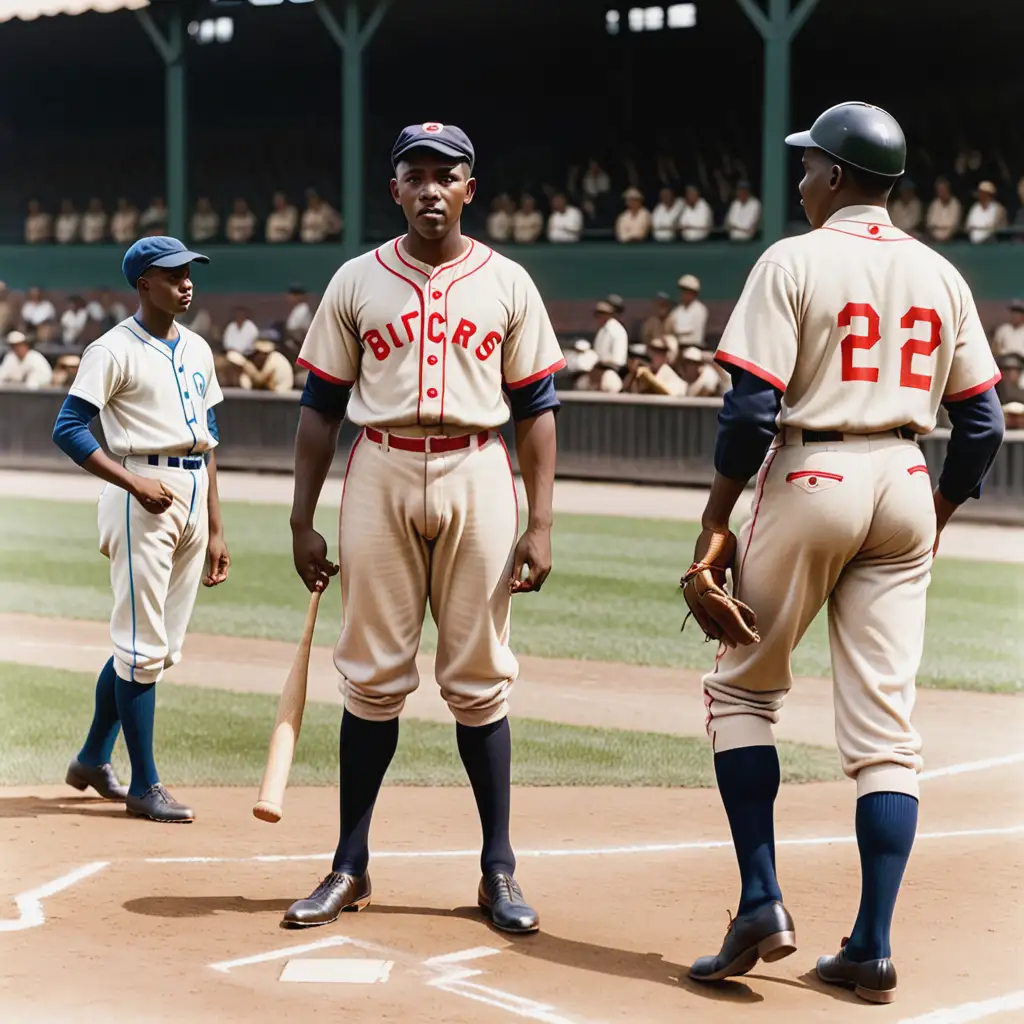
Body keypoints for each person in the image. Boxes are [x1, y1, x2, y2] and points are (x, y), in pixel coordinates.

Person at [685, 102, 1003, 1004]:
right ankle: (870, 945)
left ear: (833, 175)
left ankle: (760, 901)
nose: (800, 179)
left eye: (808, 165)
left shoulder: (793, 258)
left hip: (812, 472)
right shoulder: (942, 274)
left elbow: (750, 412)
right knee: (886, 736)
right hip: (906, 474)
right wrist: (935, 509)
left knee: (743, 688)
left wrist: (715, 521)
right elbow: (980, 423)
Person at [282, 121, 564, 935]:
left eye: (449, 175)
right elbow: (320, 408)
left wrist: (541, 522)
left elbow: (537, 410)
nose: (432, 188)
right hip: (381, 463)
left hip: (480, 464)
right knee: (371, 676)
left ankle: (498, 869)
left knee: (478, 677)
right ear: (396, 188)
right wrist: (301, 518)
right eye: (416, 174)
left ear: (471, 189)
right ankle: (349, 864)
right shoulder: (356, 280)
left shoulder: (507, 281)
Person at [50, 236, 231, 823]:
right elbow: (69, 428)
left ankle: (90, 759)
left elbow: (208, 445)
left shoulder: (199, 349)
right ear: (142, 284)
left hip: (191, 493)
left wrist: (217, 528)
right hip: (140, 495)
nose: (186, 282)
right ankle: (144, 785)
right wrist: (131, 484)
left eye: (189, 272)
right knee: (140, 646)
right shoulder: (112, 349)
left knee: (156, 647)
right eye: (172, 273)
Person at [225, 330, 295, 392]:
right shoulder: (272, 358)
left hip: (281, 397)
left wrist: (246, 364)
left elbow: (259, 380)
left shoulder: (274, 360)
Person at [666, 274, 708, 347]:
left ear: (694, 293)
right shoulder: (678, 309)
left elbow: (685, 329)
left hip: (693, 346)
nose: (684, 294)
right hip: (677, 345)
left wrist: (673, 329)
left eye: (687, 291)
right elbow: (668, 326)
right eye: (683, 291)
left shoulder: (699, 309)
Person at [591, 298, 629, 372]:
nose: (599, 317)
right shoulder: (601, 330)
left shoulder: (617, 331)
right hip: (598, 370)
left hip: (611, 371)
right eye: (598, 314)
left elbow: (618, 361)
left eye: (602, 314)